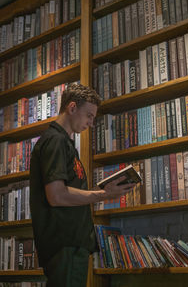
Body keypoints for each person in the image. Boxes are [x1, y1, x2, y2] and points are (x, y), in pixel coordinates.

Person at [30, 83, 134, 287]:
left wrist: (102, 190)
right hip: (65, 244)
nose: (91, 123)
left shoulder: (66, 144)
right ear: (72, 108)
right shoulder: (55, 141)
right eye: (89, 115)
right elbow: (57, 195)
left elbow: (68, 192)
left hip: (72, 245)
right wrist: (102, 196)